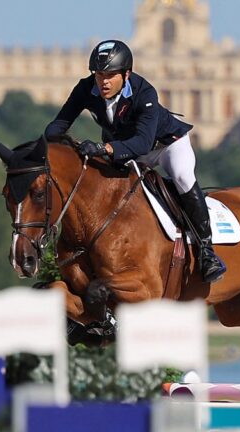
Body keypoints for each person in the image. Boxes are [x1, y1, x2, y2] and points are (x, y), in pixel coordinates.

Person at [44, 39, 226, 283]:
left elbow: (142, 142)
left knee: (183, 177)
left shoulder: (144, 92)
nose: (103, 82)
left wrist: (102, 147)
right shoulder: (86, 88)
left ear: (126, 74)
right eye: (99, 75)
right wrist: (48, 142)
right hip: (125, 148)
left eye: (110, 75)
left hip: (165, 145)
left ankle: (207, 252)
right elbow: (61, 121)